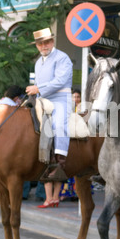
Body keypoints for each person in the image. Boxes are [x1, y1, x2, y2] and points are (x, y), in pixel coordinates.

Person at [25, 27, 73, 209]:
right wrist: (34, 91)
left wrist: (38, 88)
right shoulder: (38, 63)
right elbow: (38, 84)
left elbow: (60, 81)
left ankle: (60, 161)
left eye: (46, 42)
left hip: (61, 98)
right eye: (40, 43)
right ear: (37, 46)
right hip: (43, 99)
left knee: (60, 124)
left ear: (52, 42)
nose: (44, 46)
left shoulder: (62, 58)